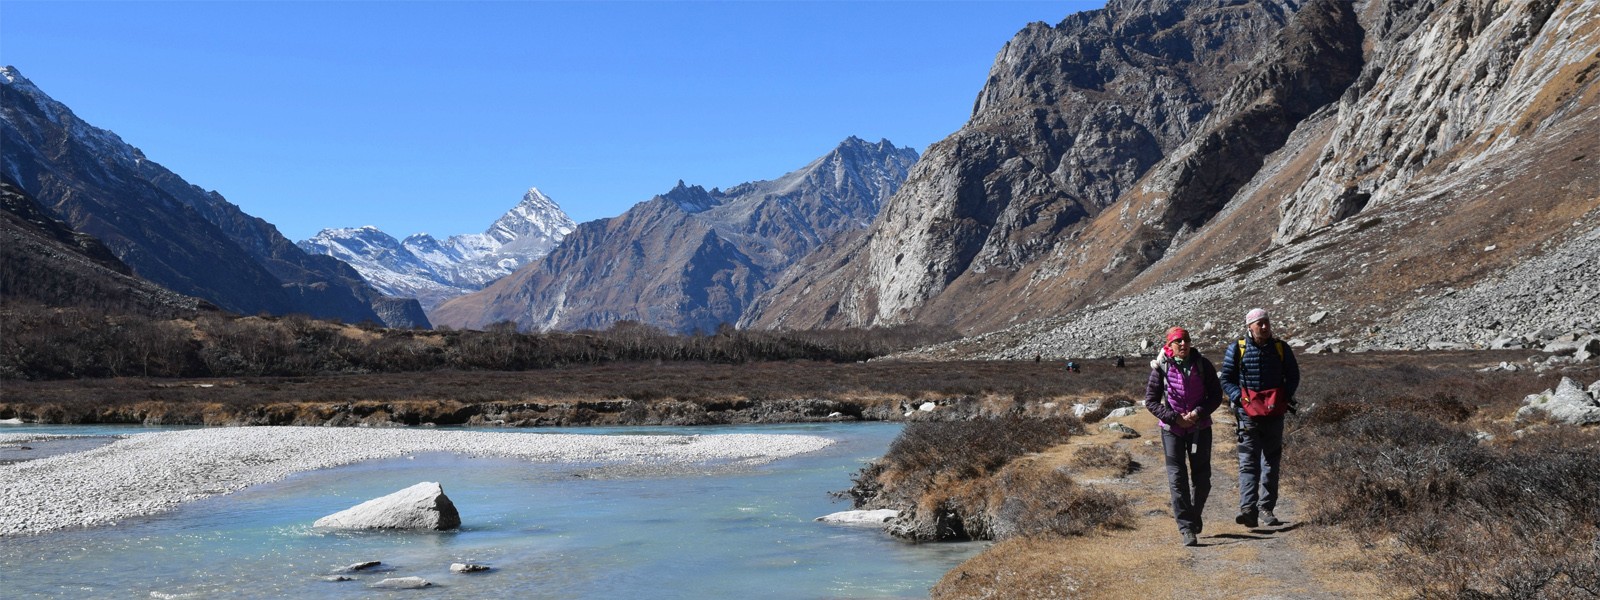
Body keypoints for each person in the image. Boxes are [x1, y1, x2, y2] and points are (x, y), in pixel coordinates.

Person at [1219, 308, 1300, 528]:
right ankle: (1248, 510)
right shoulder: (1237, 348)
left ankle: (1266, 509)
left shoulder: (1281, 349)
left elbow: (1293, 375)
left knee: (1271, 462)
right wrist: (1240, 399)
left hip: (1275, 414)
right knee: (1248, 462)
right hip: (1248, 415)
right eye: (1259, 323)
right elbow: (1226, 379)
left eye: (1266, 322)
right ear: (1249, 327)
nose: (1264, 327)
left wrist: (1283, 397)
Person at [1145, 326, 1223, 547]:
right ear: (1169, 345)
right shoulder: (1161, 368)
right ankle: (1186, 528)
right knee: (1177, 479)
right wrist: (1174, 418)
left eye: (1186, 340)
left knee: (1202, 479)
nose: (1183, 344)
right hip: (1173, 431)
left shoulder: (1203, 364)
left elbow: (1216, 395)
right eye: (1177, 341)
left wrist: (1198, 413)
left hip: (1200, 428)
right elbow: (1150, 401)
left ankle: (1194, 514)